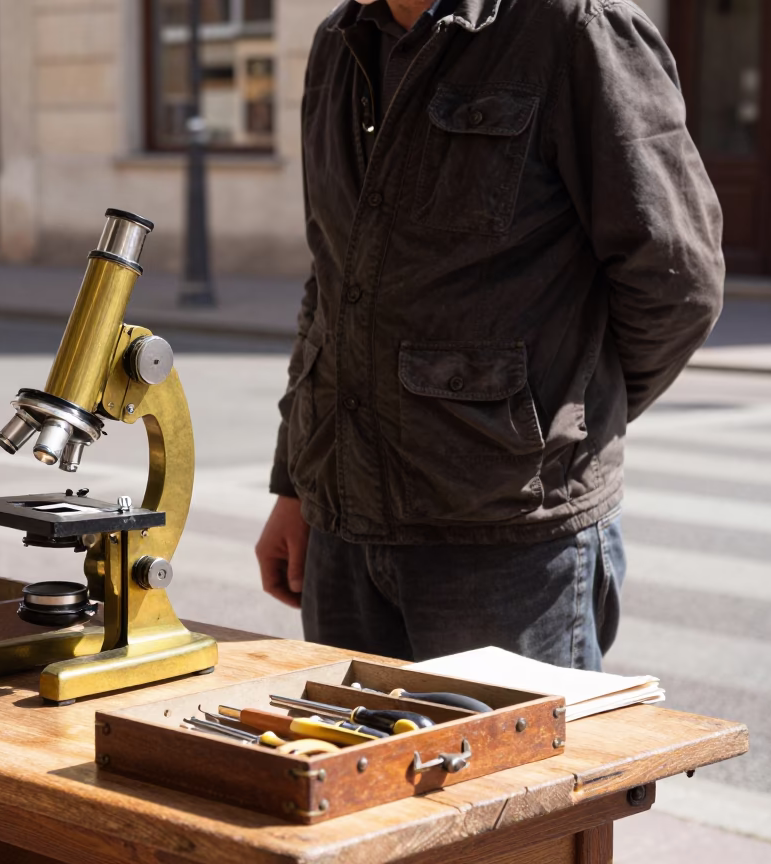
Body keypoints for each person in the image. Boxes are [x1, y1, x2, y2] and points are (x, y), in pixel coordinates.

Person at [254, 0, 724, 670]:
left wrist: (554, 425)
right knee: (354, 773)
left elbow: (678, 279)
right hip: (343, 532)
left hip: (508, 543)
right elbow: (334, 279)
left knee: (518, 774)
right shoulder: (340, 41)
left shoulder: (575, 27)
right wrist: (294, 483)